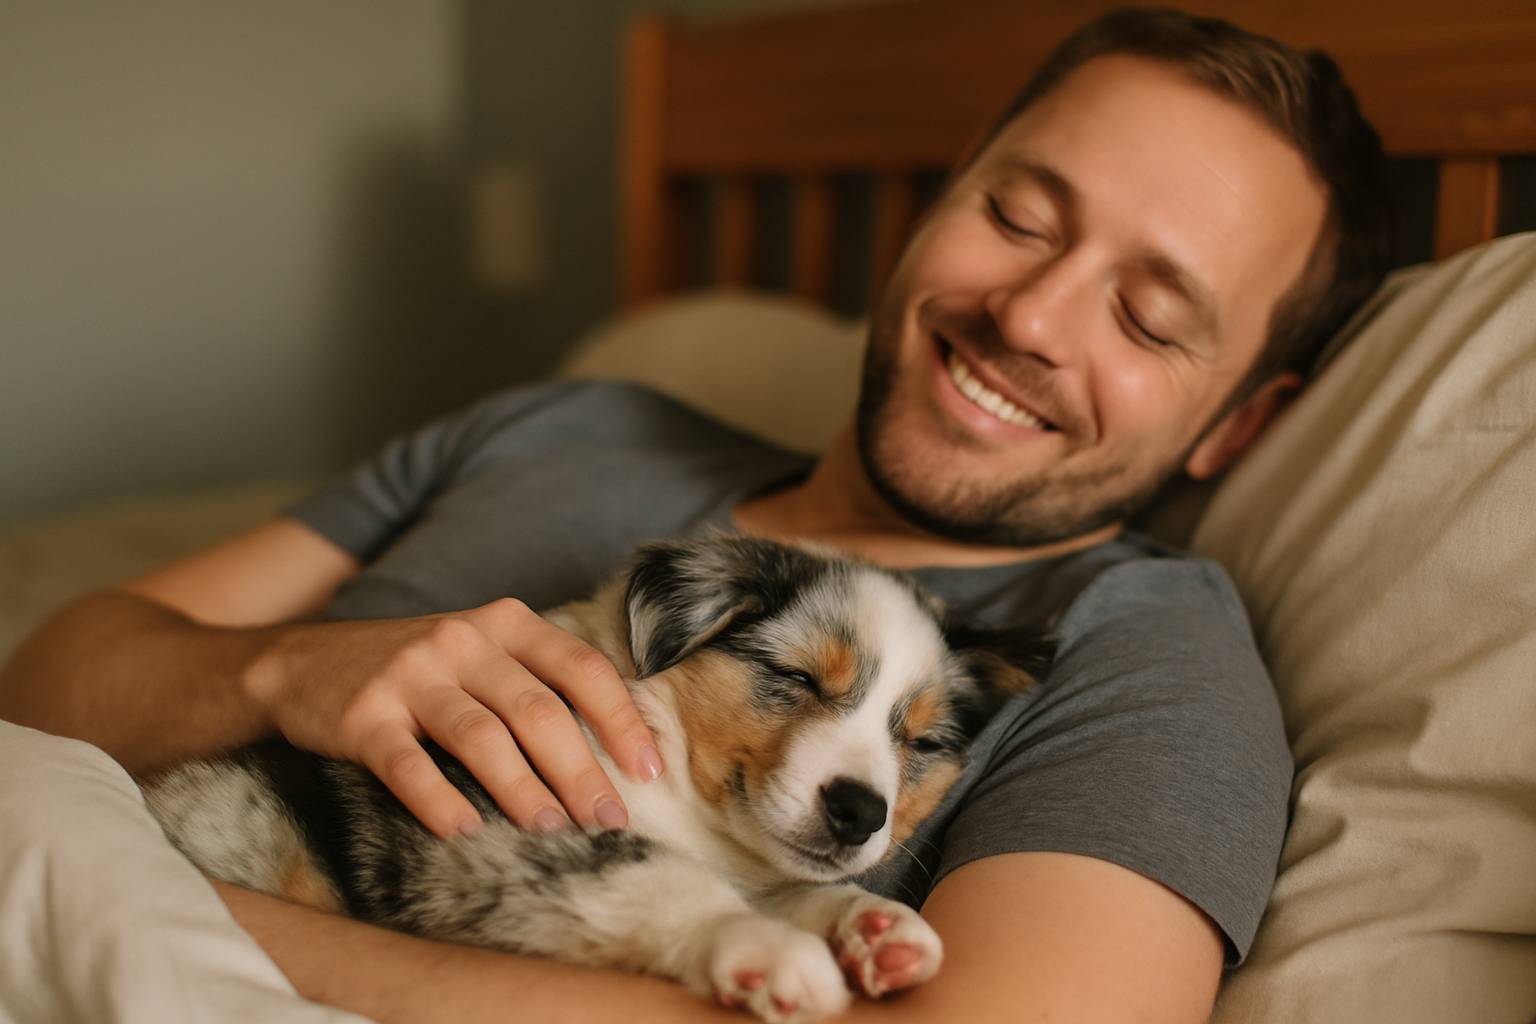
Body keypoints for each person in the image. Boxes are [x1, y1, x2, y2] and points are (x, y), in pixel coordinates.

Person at [0, 8, 1392, 1022]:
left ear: (1243, 421)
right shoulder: (576, 419)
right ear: (945, 195)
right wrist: (276, 666)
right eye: (1020, 217)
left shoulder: (1137, 654)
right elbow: (44, 685)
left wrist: (162, 910)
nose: (1029, 315)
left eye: (1150, 317)